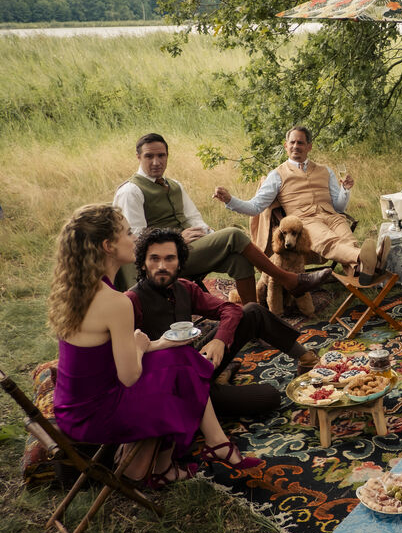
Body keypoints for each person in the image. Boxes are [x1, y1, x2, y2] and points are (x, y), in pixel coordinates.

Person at [49, 204, 261, 489]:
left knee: (180, 354)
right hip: (94, 415)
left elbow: (102, 358)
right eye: (127, 232)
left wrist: (157, 343)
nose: (133, 238)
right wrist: (138, 346)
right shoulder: (115, 303)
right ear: (108, 246)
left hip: (73, 405)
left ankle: (215, 444)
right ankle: (146, 470)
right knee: (176, 382)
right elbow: (129, 376)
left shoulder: (80, 287)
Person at [113, 133, 331, 302]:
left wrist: (214, 240)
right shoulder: (131, 191)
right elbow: (137, 241)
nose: (156, 161)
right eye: (149, 156)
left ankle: (252, 314)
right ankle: (288, 280)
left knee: (239, 258)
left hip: (187, 249)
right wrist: (176, 238)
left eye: (161, 156)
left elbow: (194, 219)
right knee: (235, 234)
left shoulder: (174, 185)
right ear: (138, 157)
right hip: (162, 259)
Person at [125, 228, 320, 416]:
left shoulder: (184, 288)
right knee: (269, 396)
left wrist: (220, 340)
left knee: (251, 311)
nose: (162, 266)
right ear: (142, 263)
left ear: (180, 262)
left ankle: (308, 359)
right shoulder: (131, 301)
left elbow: (231, 309)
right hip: (172, 385)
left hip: (195, 360)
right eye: (154, 259)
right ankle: (218, 381)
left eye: (169, 258)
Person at [212, 125, 386, 283]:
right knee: (330, 242)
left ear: (309, 146)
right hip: (305, 220)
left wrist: (345, 190)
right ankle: (368, 260)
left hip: (332, 216)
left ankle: (361, 272)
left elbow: (339, 207)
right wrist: (229, 200)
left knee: (349, 241)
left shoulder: (325, 171)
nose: (296, 146)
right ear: (286, 146)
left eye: (301, 143)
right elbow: (255, 207)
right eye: (292, 142)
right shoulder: (277, 174)